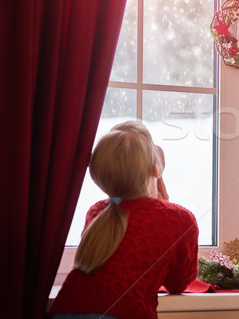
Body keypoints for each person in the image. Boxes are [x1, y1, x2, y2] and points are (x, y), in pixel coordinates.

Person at [50, 121, 199, 319]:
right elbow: (178, 283)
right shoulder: (178, 218)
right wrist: (164, 207)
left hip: (65, 308)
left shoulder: (96, 211)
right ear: (156, 170)